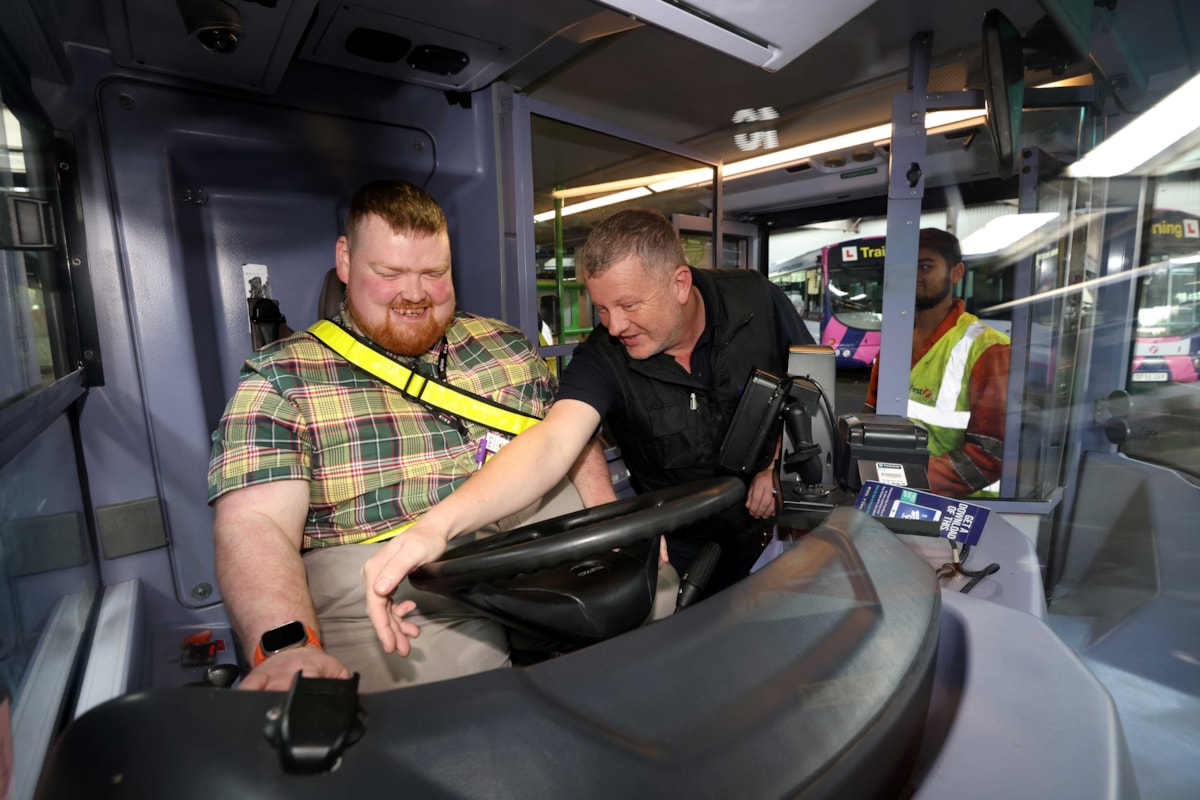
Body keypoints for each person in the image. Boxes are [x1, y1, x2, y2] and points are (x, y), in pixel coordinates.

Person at [207, 180, 617, 692]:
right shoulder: (281, 377)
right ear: (346, 260)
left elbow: (571, 441)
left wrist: (608, 527)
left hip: (526, 538)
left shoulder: (506, 344)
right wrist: (289, 648)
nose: (415, 293)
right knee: (461, 699)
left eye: (434, 273)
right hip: (385, 568)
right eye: (389, 273)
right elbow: (256, 523)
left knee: (651, 601)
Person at [362, 208, 815, 657]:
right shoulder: (603, 358)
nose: (614, 326)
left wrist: (778, 462)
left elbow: (813, 390)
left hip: (780, 526)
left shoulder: (756, 299)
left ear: (680, 284)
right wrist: (436, 527)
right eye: (601, 308)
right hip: (682, 545)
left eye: (629, 305)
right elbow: (555, 442)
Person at [863, 227, 1010, 497]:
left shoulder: (987, 348)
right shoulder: (895, 341)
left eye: (925, 266)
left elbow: (991, 454)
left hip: (961, 514)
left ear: (956, 273)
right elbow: (871, 419)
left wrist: (904, 479)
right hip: (894, 497)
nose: (913, 277)